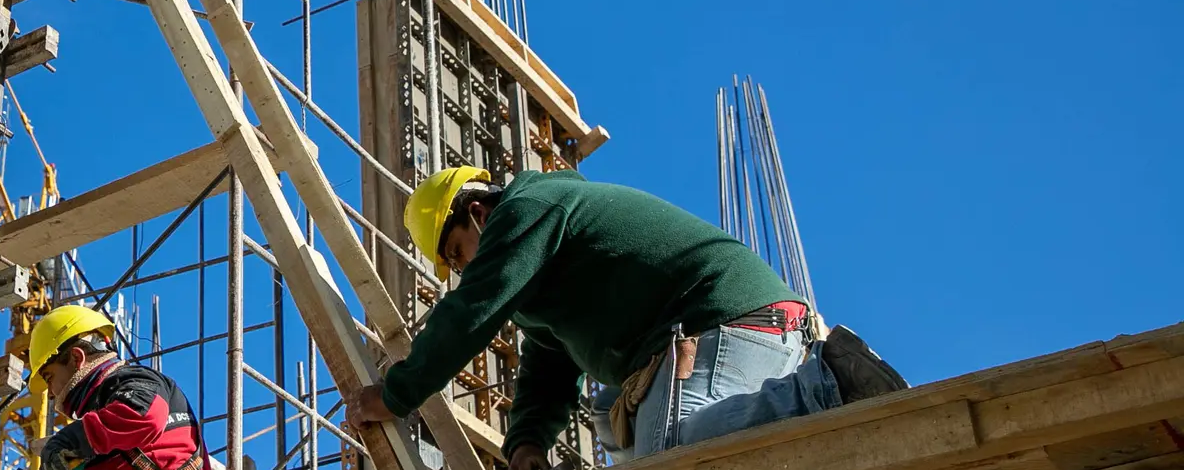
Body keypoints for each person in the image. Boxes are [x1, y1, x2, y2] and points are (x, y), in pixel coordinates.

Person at [349, 167, 909, 467]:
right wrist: (525, 446)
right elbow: (546, 375)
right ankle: (816, 390)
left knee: (670, 457)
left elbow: (473, 309)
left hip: (724, 322)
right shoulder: (547, 281)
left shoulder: (527, 210)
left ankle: (826, 388)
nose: (464, 270)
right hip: (748, 335)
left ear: (477, 212)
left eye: (456, 254)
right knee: (618, 418)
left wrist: (396, 394)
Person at [31, 305, 211, 470]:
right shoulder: (105, 438)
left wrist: (72, 438)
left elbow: (145, 416)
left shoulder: (134, 380)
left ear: (77, 359)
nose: (52, 394)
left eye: (49, 378)